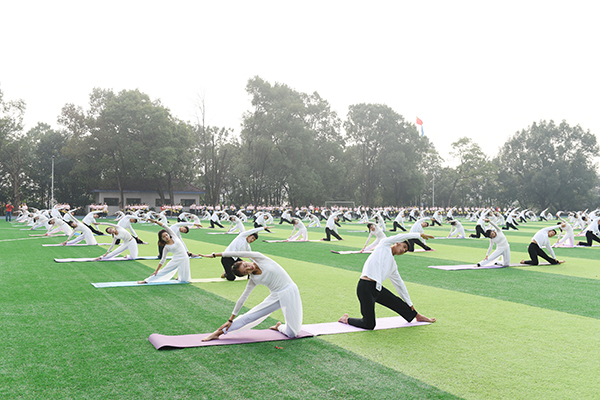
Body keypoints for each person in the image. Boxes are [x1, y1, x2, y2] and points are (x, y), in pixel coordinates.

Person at [339, 232, 436, 330]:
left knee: (397, 302)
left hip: (377, 288)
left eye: (406, 250)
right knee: (369, 324)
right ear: (397, 242)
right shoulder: (384, 244)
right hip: (365, 288)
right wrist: (420, 235)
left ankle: (417, 316)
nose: (403, 250)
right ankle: (346, 319)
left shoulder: (393, 265)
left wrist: (409, 303)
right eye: (404, 246)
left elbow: (399, 284)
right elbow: (401, 236)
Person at [201, 251, 303, 341]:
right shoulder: (254, 279)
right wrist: (230, 319)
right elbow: (243, 298)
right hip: (275, 297)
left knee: (292, 334)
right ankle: (217, 333)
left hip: (290, 291)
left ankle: (279, 327)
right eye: (246, 272)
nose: (249, 268)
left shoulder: (260, 258)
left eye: (246, 265)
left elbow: (237, 253)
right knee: (249, 317)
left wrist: (214, 255)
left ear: (244, 261)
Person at [138, 220, 192, 284]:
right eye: (164, 237)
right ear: (162, 239)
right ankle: (146, 280)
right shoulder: (166, 247)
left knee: (185, 280)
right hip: (176, 259)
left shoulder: (174, 236)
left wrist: (156, 221)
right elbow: (163, 260)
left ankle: (180, 277)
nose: (166, 237)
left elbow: (165, 226)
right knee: (164, 270)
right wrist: (156, 270)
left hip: (185, 258)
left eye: (166, 235)